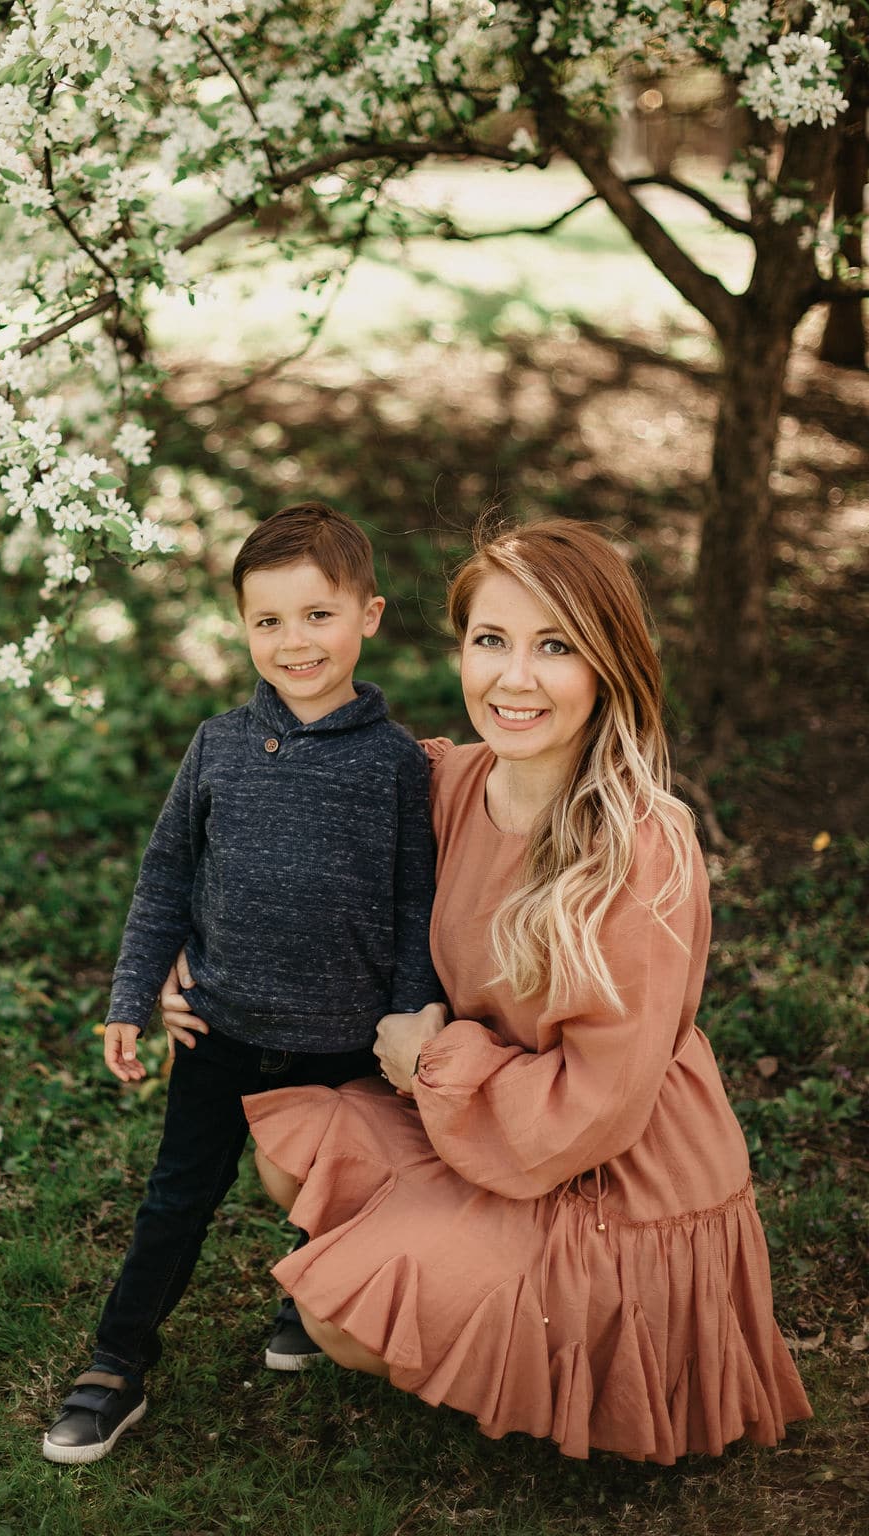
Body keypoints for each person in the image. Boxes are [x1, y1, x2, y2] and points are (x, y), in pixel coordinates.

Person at [163, 517, 812, 1464]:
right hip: (480, 1122)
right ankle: (438, 1291)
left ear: (609, 664)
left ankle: (537, 1351)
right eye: (490, 641)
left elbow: (594, 1110)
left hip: (609, 1176)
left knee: (342, 1321)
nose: (514, 678)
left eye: (555, 646)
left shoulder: (639, 848)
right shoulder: (448, 780)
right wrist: (190, 954)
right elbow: (287, 834)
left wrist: (429, 1057)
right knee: (297, 1150)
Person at [42, 501, 440, 1465]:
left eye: (318, 615)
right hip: (218, 1029)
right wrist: (134, 993)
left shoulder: (394, 767)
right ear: (242, 628)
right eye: (268, 620)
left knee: (333, 1190)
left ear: (369, 616)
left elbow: (417, 906)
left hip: (347, 1040)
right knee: (178, 1198)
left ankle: (316, 1301)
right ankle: (115, 1362)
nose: (294, 641)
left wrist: (408, 1022)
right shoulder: (218, 746)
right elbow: (167, 874)